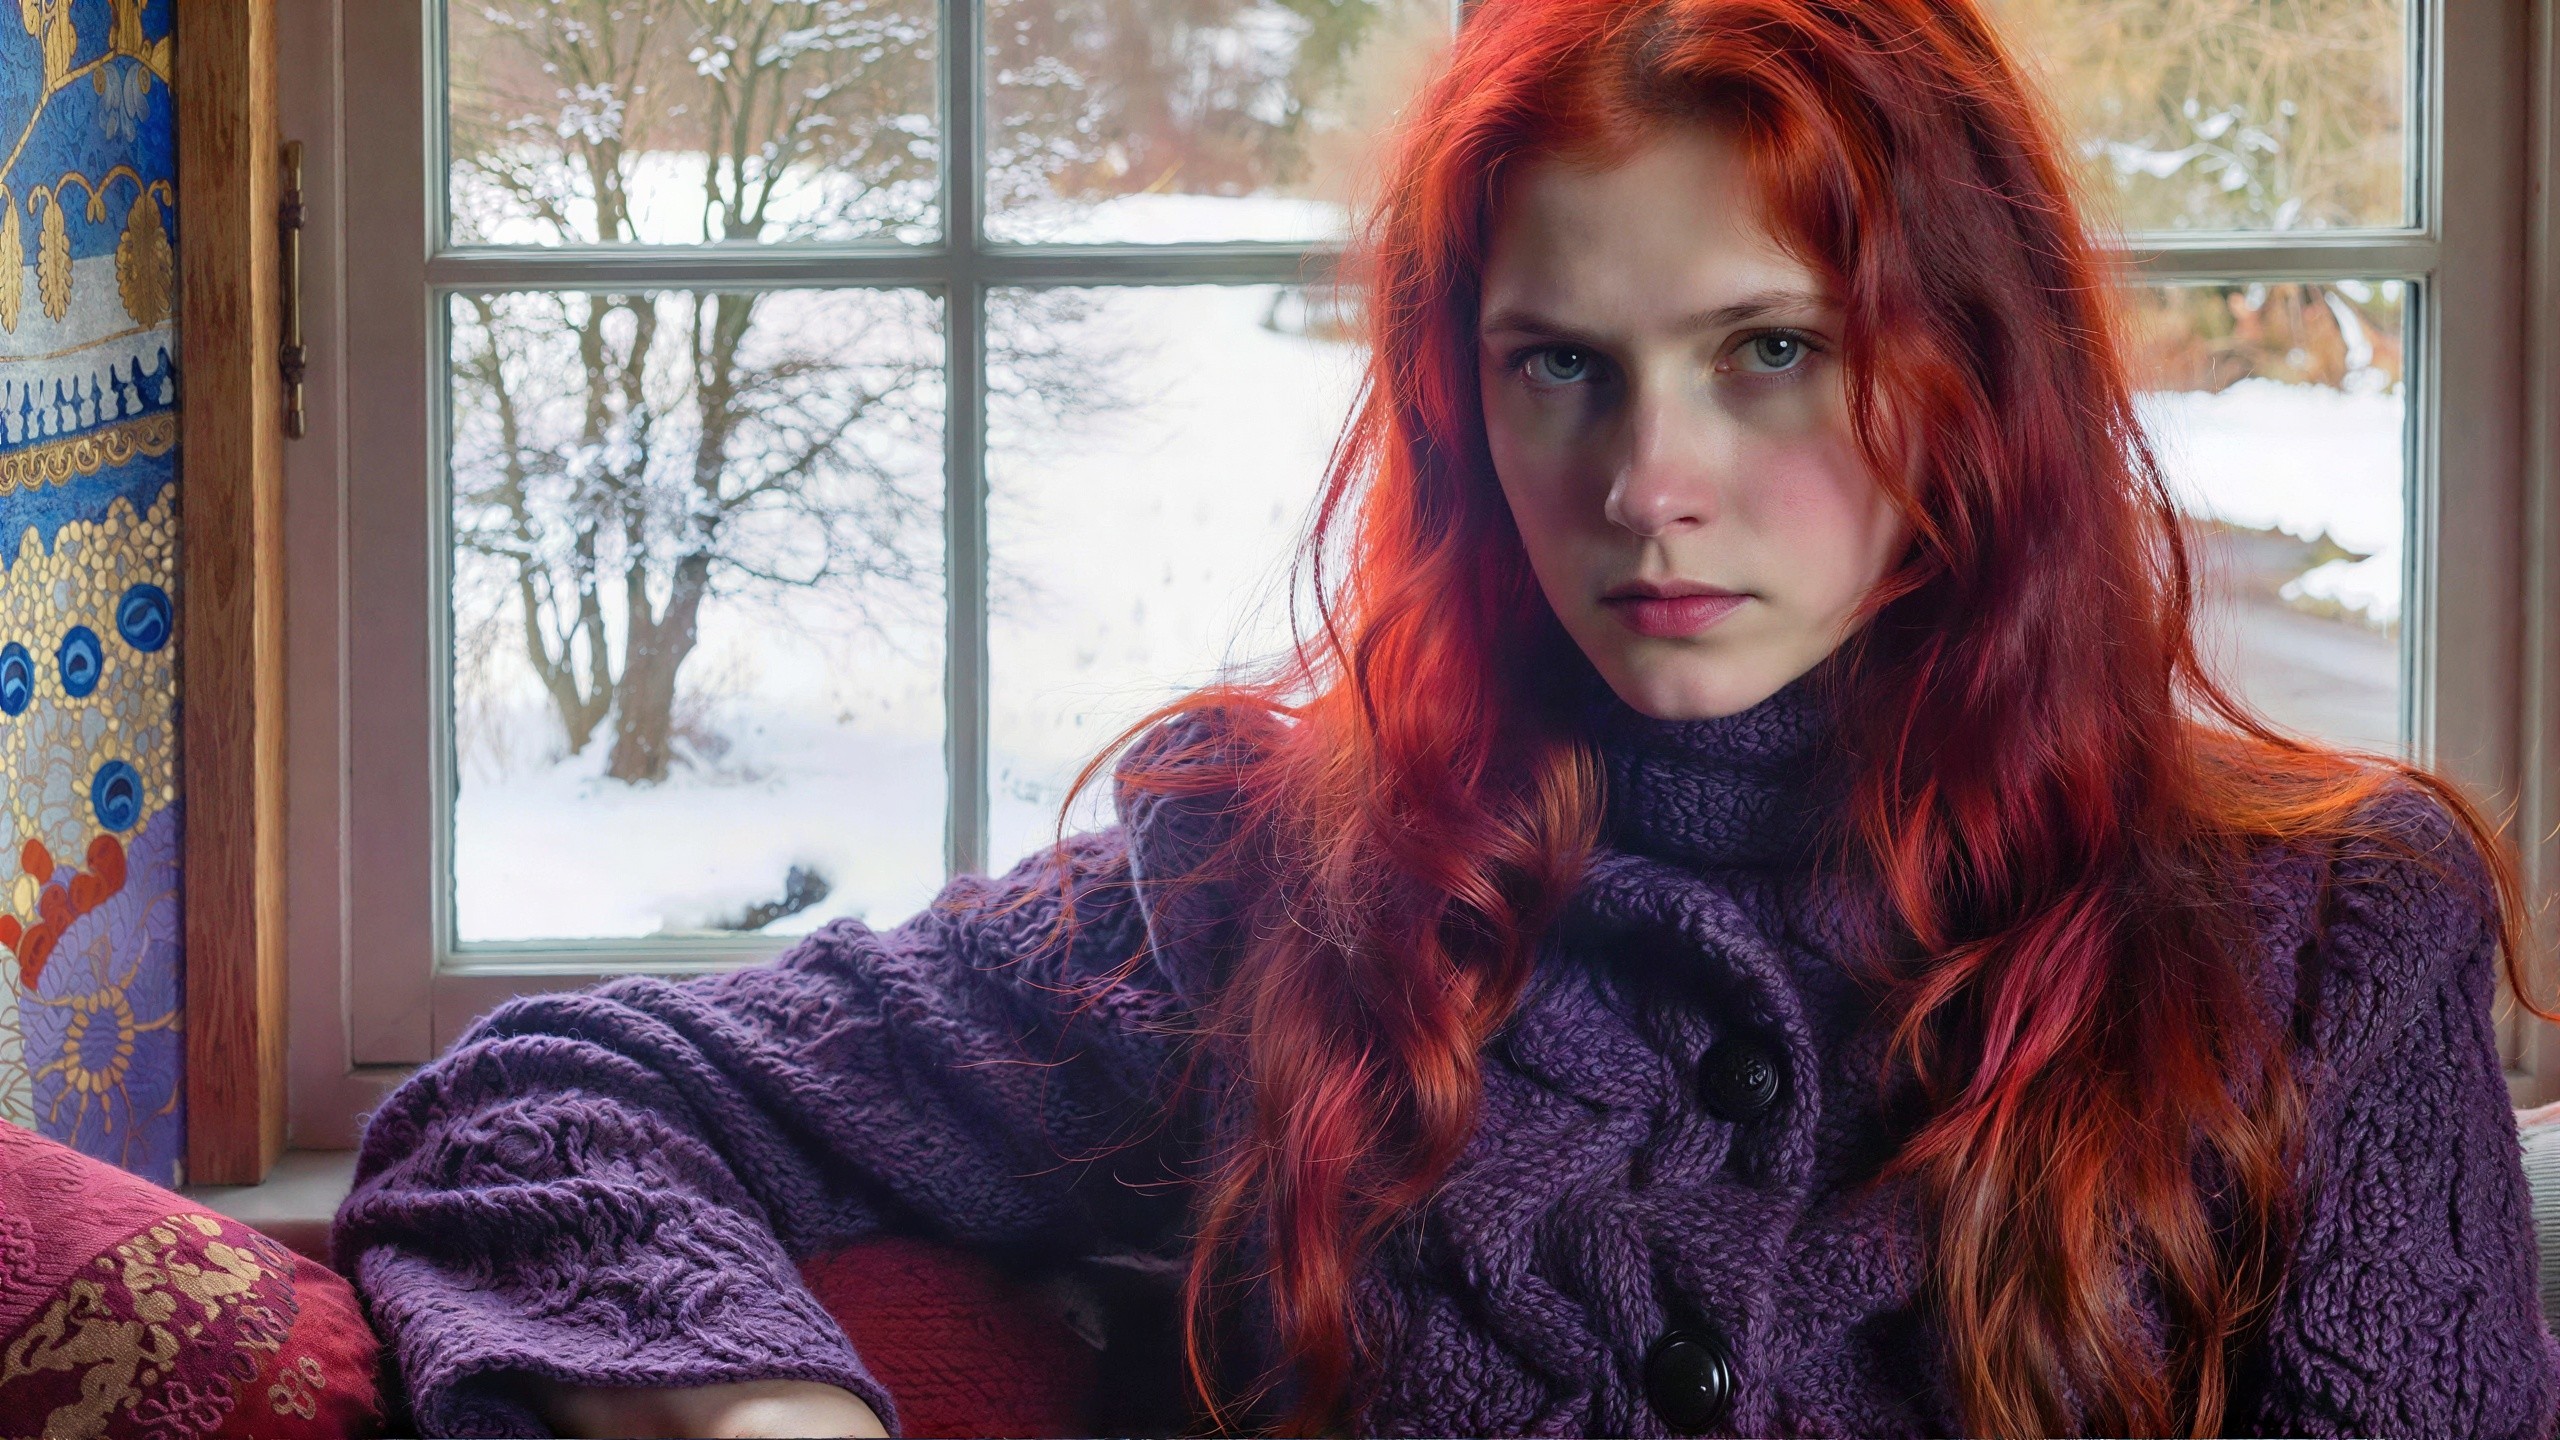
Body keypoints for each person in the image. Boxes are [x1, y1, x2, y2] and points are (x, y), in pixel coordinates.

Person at [333, 0, 2560, 1435]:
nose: (1641, 480)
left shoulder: (2324, 935)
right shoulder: (1269, 888)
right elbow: (547, 1103)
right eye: (1555, 364)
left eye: (1764, 348)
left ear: (1964, 376)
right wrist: (753, 1416)